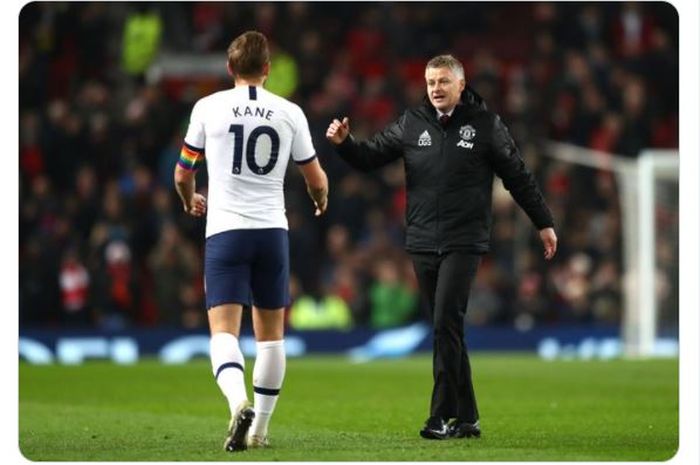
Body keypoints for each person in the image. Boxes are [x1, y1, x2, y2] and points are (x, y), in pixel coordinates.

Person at [326, 54, 557, 440]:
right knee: (448, 330)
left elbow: (518, 175)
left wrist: (544, 222)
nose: (435, 88)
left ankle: (440, 416)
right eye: (431, 82)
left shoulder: (485, 125)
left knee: (444, 324)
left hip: (464, 240)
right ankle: (468, 417)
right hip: (421, 241)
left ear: (461, 85)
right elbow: (369, 157)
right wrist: (345, 143)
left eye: (443, 82)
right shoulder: (411, 122)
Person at [174, 30, 328, 452]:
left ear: (229, 68)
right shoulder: (290, 112)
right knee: (271, 337)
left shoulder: (208, 107)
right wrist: (320, 199)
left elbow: (183, 172)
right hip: (271, 232)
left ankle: (236, 400)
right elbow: (315, 177)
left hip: (225, 231)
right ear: (267, 69)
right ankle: (259, 429)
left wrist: (190, 202)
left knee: (223, 331)